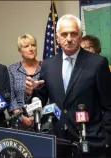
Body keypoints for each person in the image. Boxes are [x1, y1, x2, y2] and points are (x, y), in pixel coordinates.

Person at [25, 14, 111, 157]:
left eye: (73, 33)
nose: (69, 38)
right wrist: (32, 92)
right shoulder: (48, 64)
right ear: (57, 37)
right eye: (64, 34)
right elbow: (40, 99)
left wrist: (106, 137)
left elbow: (108, 105)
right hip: (58, 140)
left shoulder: (98, 63)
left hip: (90, 141)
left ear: (80, 36)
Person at [8, 34, 42, 128]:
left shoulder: (46, 67)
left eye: (33, 45)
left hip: (43, 121)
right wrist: (21, 117)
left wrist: (41, 116)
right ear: (20, 51)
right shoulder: (12, 69)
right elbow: (10, 97)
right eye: (26, 46)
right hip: (19, 122)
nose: (31, 49)